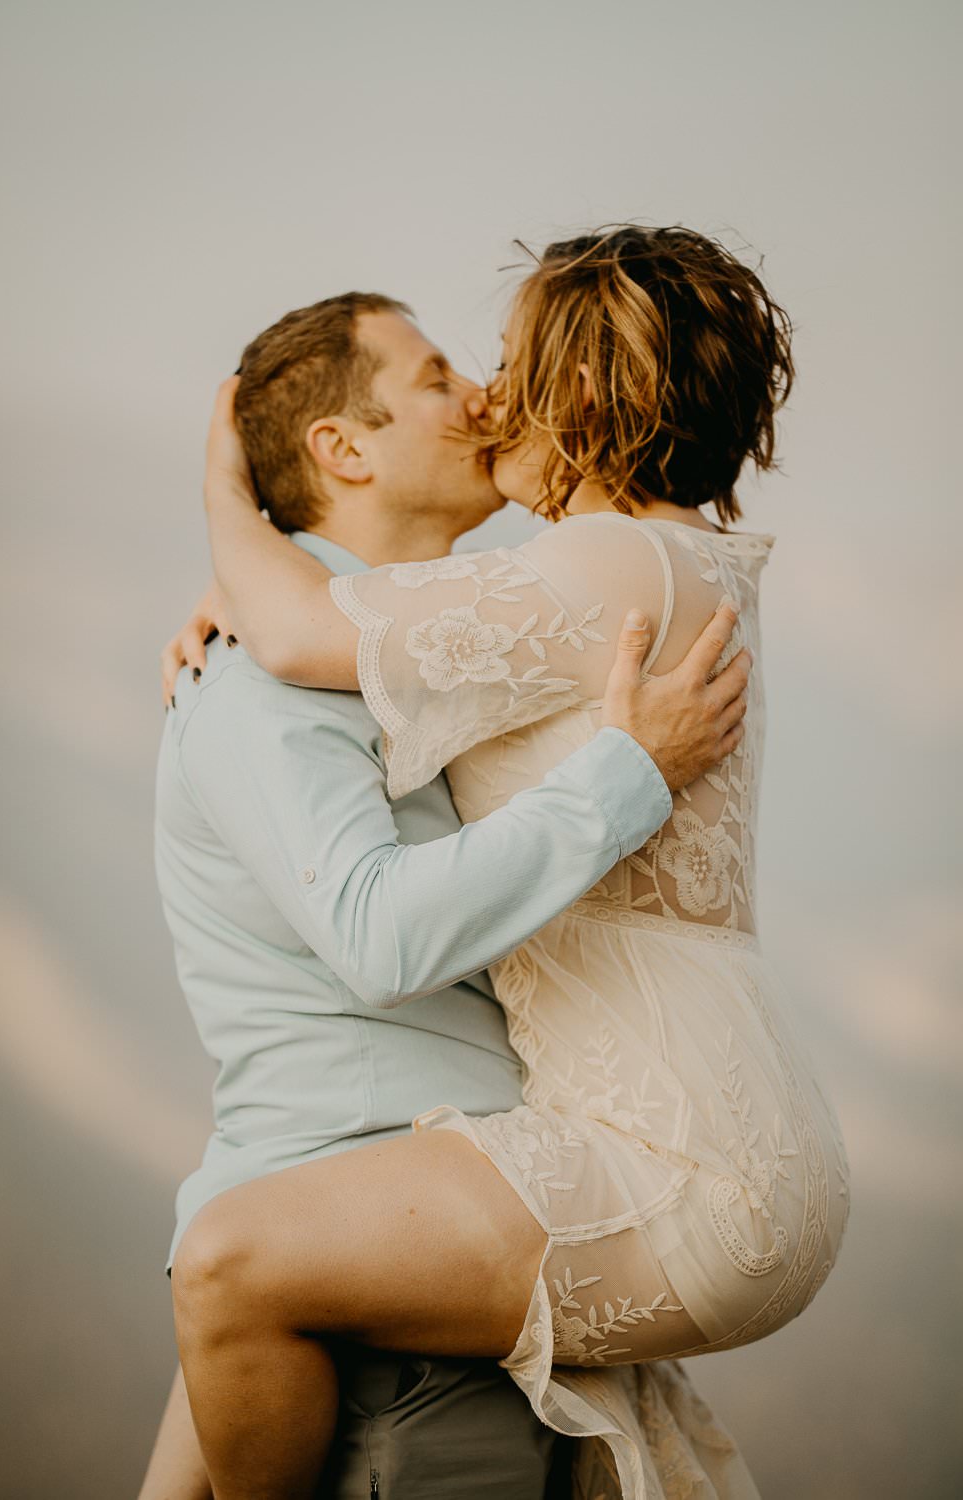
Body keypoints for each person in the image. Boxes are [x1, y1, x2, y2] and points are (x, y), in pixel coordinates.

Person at [165, 225, 852, 1499]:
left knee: (229, 1261)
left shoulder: (604, 565)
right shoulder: (627, 563)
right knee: (262, 1254)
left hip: (681, 1149)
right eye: (458, 374)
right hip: (710, 1120)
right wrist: (250, 594)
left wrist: (225, 500)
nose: (488, 395)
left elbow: (311, 629)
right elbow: (330, 631)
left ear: (580, 395)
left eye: (510, 363)